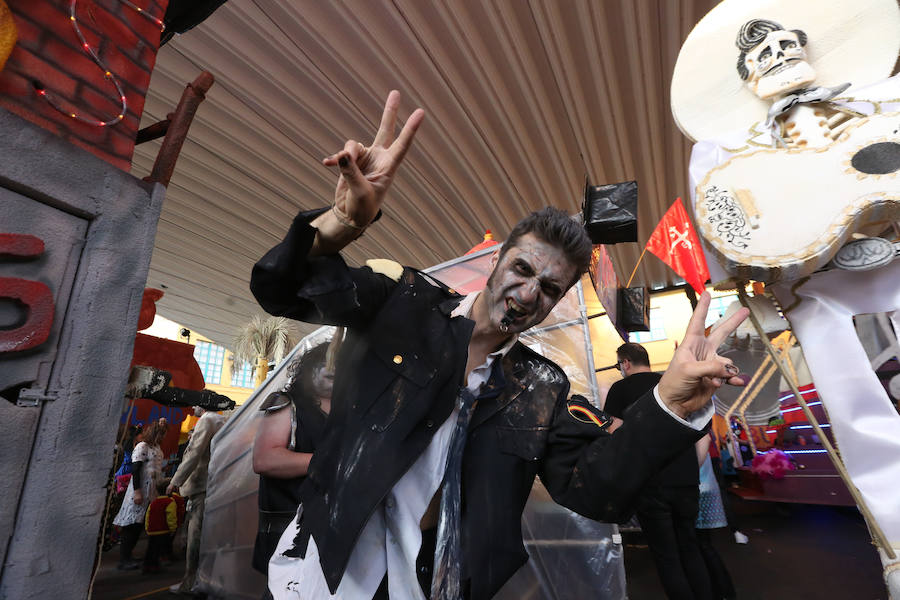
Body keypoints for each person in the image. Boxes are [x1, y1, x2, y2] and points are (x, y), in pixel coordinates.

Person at [250, 90, 749, 600]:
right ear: (497, 262)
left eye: (550, 288)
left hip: (436, 584)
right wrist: (341, 224)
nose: (530, 293)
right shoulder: (404, 301)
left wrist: (670, 403)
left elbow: (595, 490)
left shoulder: (541, 386)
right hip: (329, 567)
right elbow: (280, 290)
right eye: (522, 269)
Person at [605, 342, 712, 599]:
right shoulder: (672, 382)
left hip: (650, 483)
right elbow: (701, 434)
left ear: (625, 363)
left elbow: (614, 432)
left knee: (667, 556)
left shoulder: (620, 389)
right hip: (686, 481)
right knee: (690, 547)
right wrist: (688, 471)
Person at [252, 342, 333, 596]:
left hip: (327, 529)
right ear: (310, 369)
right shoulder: (287, 403)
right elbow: (264, 459)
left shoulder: (347, 412)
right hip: (287, 528)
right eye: (330, 368)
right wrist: (327, 464)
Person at [166, 406, 226, 596]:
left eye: (197, 404)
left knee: (195, 535)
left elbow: (194, 453)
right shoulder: (222, 421)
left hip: (201, 485)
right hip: (215, 485)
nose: (193, 408)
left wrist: (175, 481)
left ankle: (191, 582)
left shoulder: (207, 420)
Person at [112, 421, 167, 570]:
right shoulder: (142, 447)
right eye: (160, 433)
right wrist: (137, 491)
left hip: (150, 492)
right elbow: (136, 469)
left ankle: (129, 556)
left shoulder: (157, 448)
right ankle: (124, 559)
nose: (162, 436)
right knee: (131, 526)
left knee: (138, 525)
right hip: (139, 490)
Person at [695, 434, 737, 600]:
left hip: (697, 487)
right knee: (702, 545)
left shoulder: (694, 417)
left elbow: (704, 441)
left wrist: (689, 473)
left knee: (700, 545)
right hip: (700, 484)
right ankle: (722, 591)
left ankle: (721, 591)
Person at [143, 478, 186, 574]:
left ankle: (147, 566)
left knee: (151, 549)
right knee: (161, 548)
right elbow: (171, 517)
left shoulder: (153, 502)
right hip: (163, 530)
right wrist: (173, 528)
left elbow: (148, 516)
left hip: (152, 531)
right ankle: (157, 565)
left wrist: (147, 528)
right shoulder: (170, 502)